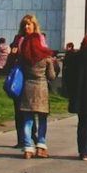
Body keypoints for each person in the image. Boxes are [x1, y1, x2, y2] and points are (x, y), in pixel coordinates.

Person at [12, 15, 58, 160]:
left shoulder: (24, 59)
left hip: (27, 89)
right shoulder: (46, 59)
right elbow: (51, 77)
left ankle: (27, 148)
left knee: (27, 120)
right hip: (41, 90)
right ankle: (41, 146)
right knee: (42, 120)